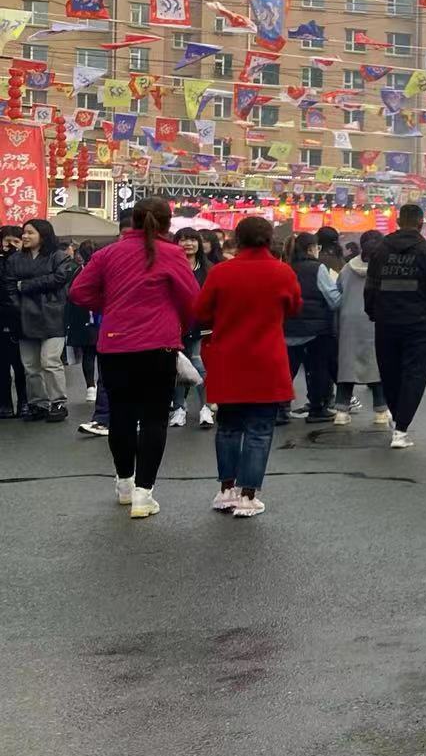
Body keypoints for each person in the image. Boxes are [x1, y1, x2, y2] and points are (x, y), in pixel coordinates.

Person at [69, 200, 200, 518]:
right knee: (155, 418)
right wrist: (176, 321)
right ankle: (144, 494)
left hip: (115, 344)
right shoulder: (172, 254)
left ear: (134, 221)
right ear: (168, 224)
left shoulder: (108, 253)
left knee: (122, 415)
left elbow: (78, 292)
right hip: (160, 345)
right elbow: (193, 299)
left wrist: (110, 305)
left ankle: (124, 484)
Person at [196, 215, 301, 518]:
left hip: (228, 358)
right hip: (266, 360)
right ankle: (248, 495)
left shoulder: (220, 272)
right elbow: (294, 307)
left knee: (228, 427)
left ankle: (225, 490)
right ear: (269, 240)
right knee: (259, 429)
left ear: (236, 240)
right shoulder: (282, 272)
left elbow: (200, 310)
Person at [365, 203, 426, 449]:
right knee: (415, 374)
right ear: (420, 223)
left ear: (398, 221)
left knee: (389, 372)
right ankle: (401, 428)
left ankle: (396, 418)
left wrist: (373, 313)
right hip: (420, 326)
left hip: (386, 322)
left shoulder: (380, 250)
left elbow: (370, 287)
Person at [4, 218, 79, 422]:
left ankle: (58, 402)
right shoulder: (15, 260)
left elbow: (60, 278)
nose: (25, 236)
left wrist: (26, 285)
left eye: (30, 233)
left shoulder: (59, 256)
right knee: (30, 365)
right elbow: (10, 286)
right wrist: (17, 307)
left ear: (43, 235)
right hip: (24, 315)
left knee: (50, 360)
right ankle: (38, 403)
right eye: (24, 233)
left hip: (53, 315)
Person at [281, 231, 339, 424]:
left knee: (287, 370)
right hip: (316, 331)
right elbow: (333, 299)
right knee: (317, 370)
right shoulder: (318, 268)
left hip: (288, 328)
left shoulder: (286, 268)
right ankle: (317, 408)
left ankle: (280, 409)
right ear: (311, 248)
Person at [335, 229, 389, 429]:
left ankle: (341, 411)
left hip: (349, 320)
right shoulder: (385, 268)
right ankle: (381, 411)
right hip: (375, 319)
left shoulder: (348, 268)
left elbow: (338, 290)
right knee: (376, 365)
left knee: (347, 365)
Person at [170, 228, 216, 429]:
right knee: (178, 367)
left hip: (202, 325)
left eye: (192, 240)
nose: (188, 244)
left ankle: (206, 407)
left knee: (198, 365)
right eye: (183, 240)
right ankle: (179, 407)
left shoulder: (209, 269)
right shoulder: (170, 266)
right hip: (175, 324)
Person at [64, 240, 100, 402]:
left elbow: (71, 296)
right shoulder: (103, 269)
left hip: (83, 319)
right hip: (103, 318)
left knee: (88, 354)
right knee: (104, 355)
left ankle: (90, 387)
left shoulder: (78, 271)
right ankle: (102, 386)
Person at [0, 226, 26, 418]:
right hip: (2, 317)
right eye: (7, 241)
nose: (10, 245)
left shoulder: (26, 262)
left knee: (21, 365)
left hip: (22, 318)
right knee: (2, 365)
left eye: (16, 241)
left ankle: (25, 402)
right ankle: (5, 403)